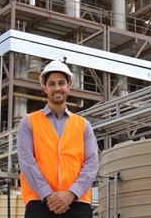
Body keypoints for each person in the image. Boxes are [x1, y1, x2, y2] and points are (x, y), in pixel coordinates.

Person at [17, 60, 98, 218]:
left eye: (61, 83)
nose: (57, 88)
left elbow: (92, 163)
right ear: (45, 88)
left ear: (68, 86)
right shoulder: (29, 122)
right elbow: (26, 162)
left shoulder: (83, 125)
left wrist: (71, 194)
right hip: (39, 202)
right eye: (52, 84)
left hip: (77, 202)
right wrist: (47, 195)